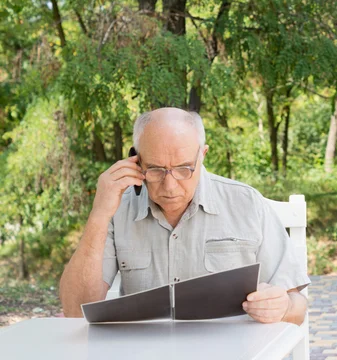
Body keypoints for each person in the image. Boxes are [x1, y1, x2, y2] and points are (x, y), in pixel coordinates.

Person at [59, 107, 310, 325]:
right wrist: (99, 215)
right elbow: (75, 311)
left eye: (183, 169)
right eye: (155, 170)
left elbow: (297, 307)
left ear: (202, 155)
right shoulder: (118, 210)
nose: (170, 186)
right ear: (136, 161)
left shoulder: (247, 204)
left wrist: (282, 306)